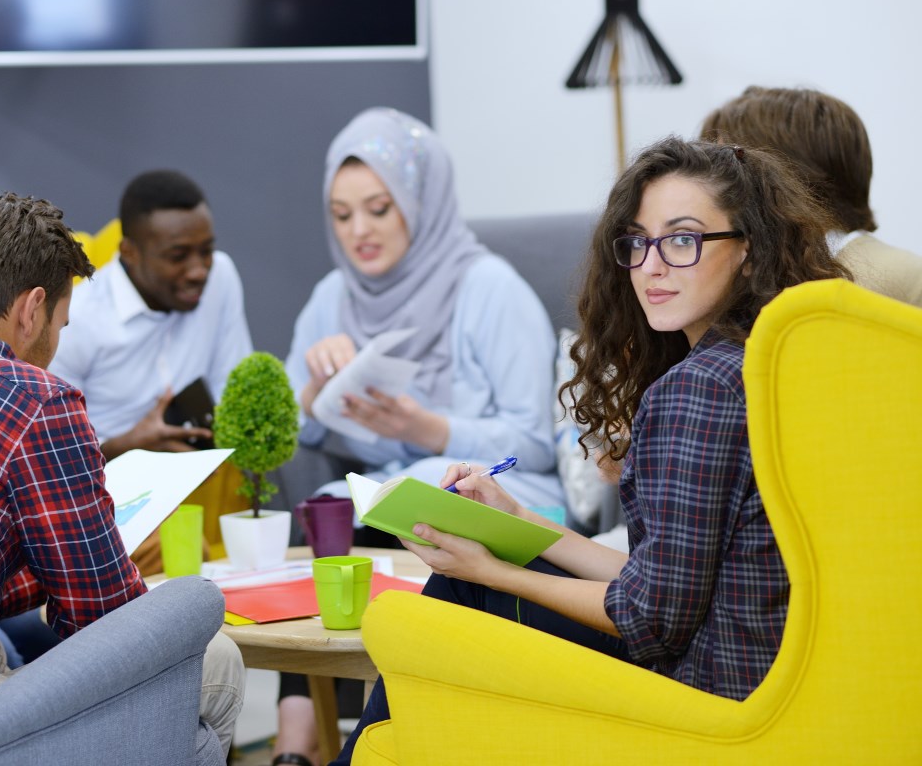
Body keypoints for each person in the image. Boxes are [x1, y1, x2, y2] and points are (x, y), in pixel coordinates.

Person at [329, 137, 849, 765]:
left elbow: (650, 619)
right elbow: (668, 584)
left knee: (457, 595)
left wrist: (489, 571)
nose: (652, 266)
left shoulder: (698, 389)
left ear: (748, 250)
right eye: (637, 243)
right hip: (769, 680)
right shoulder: (772, 364)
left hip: (705, 696)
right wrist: (521, 525)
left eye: (682, 240)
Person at [0, 188, 243, 753]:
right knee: (214, 662)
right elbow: (107, 620)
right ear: (31, 310)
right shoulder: (36, 398)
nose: (56, 342)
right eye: (62, 324)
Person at [275, 107, 563, 766]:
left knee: (407, 520)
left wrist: (426, 428)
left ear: (419, 200)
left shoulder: (490, 290)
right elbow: (297, 428)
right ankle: (298, 738)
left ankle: (388, 738)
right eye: (342, 215)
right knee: (321, 516)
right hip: (392, 496)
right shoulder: (332, 296)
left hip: (493, 490)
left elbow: (539, 442)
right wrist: (316, 391)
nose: (360, 232)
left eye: (378, 208)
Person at [48, 169, 253, 460]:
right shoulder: (77, 321)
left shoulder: (221, 275)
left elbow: (233, 386)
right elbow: (58, 454)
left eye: (206, 250)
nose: (198, 271)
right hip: (110, 490)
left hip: (210, 475)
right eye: (177, 256)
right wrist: (128, 447)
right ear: (129, 252)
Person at [701, 85, 922, 307]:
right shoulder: (752, 276)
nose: (711, 186)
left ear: (783, 172)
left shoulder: (902, 280)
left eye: (728, 169)